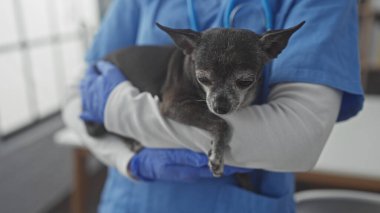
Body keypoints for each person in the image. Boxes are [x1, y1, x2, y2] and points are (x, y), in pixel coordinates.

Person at [63, 0, 364, 212]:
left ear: (274, 48)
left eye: (243, 81)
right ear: (187, 49)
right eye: (204, 80)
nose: (219, 102)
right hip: (132, 200)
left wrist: (117, 110)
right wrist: (122, 158)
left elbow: (297, 140)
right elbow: (75, 99)